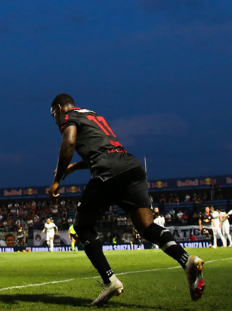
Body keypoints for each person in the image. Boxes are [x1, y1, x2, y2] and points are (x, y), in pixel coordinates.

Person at [47, 94, 204, 306]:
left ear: (59, 108)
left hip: (108, 171)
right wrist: (75, 167)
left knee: (82, 227)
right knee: (146, 226)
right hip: (131, 166)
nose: (55, 119)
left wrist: (57, 180)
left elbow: (69, 142)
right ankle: (187, 261)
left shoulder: (68, 117)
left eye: (54, 114)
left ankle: (109, 280)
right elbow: (103, 149)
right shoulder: (92, 114)